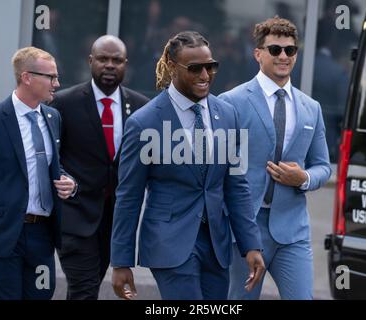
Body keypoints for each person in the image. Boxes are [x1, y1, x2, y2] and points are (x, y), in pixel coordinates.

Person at [110, 31, 265, 300]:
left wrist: (251, 245)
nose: (205, 75)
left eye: (210, 66)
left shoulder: (228, 115)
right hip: (169, 243)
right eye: (195, 69)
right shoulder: (144, 123)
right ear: (172, 67)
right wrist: (121, 261)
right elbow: (129, 196)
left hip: (216, 244)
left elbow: (236, 186)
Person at [219, 16, 331, 300]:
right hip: (242, 229)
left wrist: (303, 178)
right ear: (258, 54)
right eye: (275, 49)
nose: (283, 56)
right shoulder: (231, 102)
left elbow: (323, 166)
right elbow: (216, 166)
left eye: (290, 50)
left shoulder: (311, 108)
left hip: (292, 230)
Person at [0, 47, 76, 300]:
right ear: (27, 77)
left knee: (41, 295)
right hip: (1, 236)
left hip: (41, 236)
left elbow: (52, 166)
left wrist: (70, 183)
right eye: (51, 77)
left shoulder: (53, 116)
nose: (57, 83)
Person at [51, 35, 149, 300]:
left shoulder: (140, 107)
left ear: (125, 64)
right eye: (103, 59)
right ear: (90, 61)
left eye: (116, 60)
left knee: (90, 285)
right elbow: (51, 155)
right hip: (75, 216)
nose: (109, 65)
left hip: (115, 220)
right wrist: (62, 178)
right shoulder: (64, 103)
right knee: (83, 288)